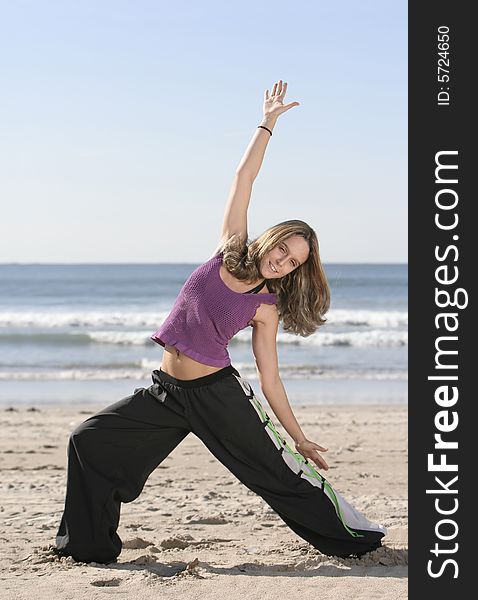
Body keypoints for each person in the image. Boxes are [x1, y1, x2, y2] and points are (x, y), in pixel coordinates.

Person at [54, 80, 386, 564]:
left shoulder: (265, 307)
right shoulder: (227, 248)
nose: (282, 261)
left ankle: (355, 540)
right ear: (270, 238)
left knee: (275, 473)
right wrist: (267, 123)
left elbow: (269, 376)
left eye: (293, 262)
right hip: (167, 392)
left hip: (219, 397)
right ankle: (85, 549)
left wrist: (298, 437)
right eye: (282, 248)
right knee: (89, 440)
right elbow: (243, 178)